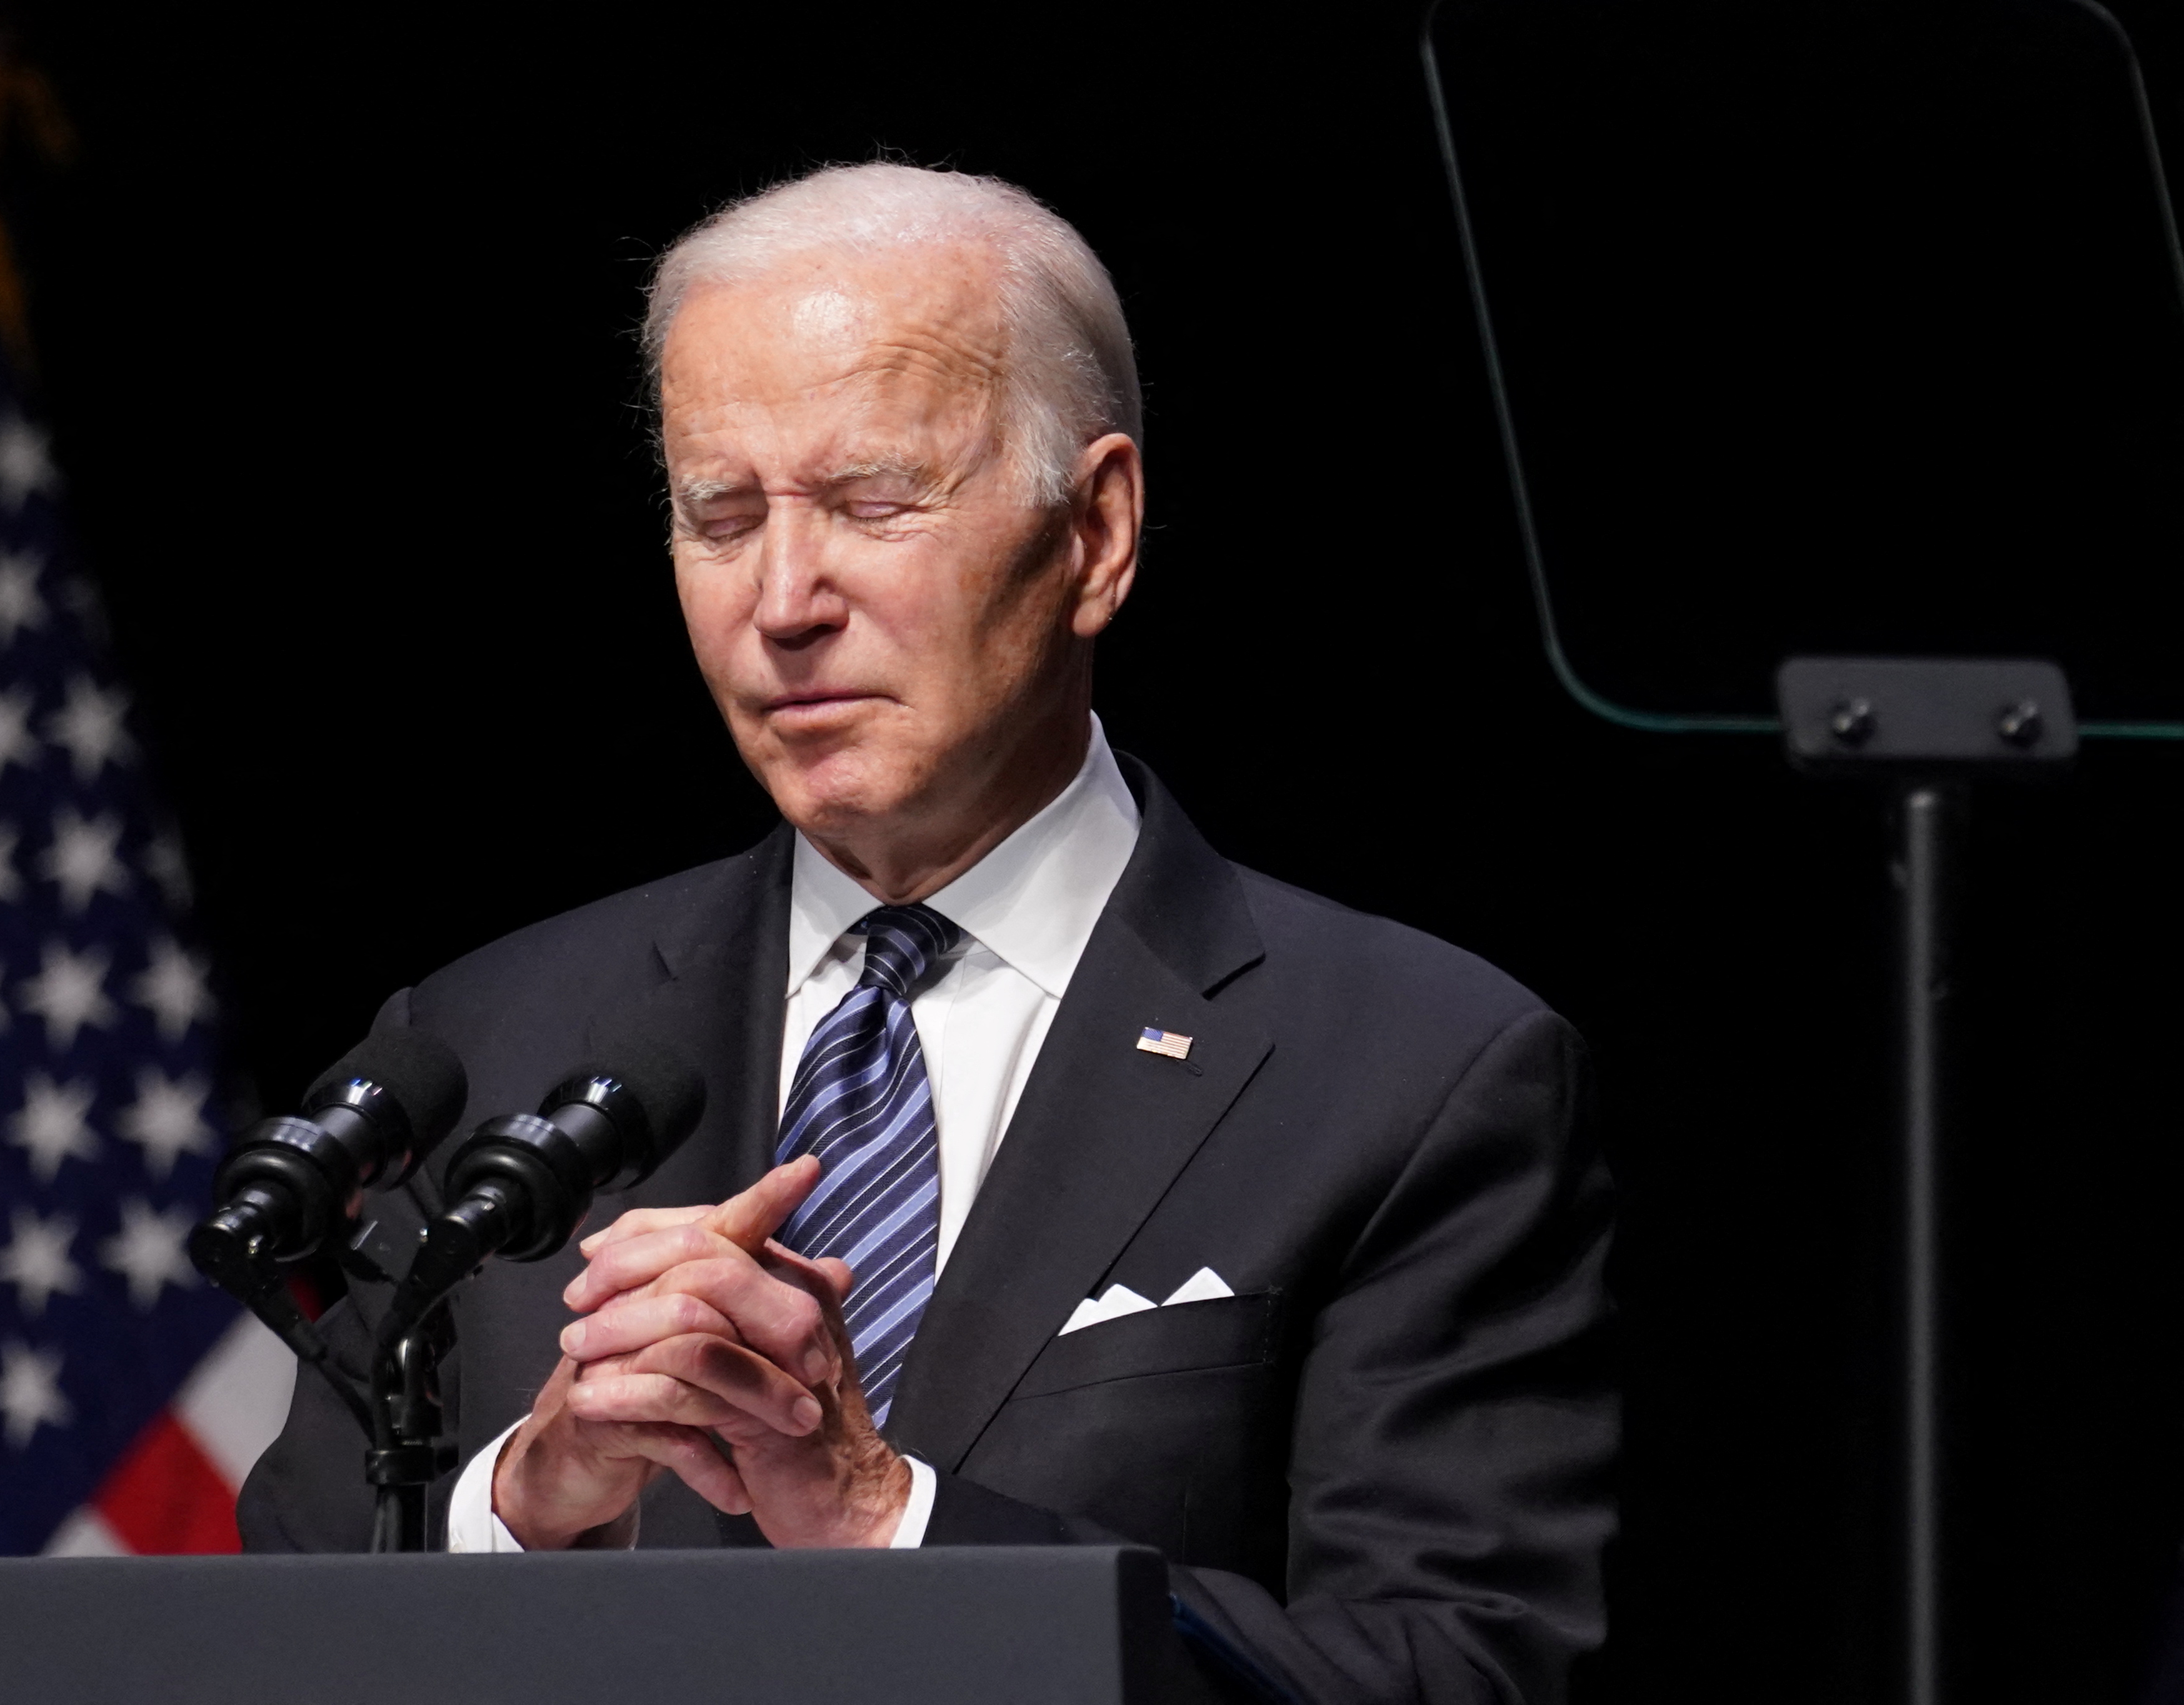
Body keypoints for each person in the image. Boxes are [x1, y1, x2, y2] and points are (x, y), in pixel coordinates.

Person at [239, 162, 1615, 1703]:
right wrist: (527, 1504)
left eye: (870, 502)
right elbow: (274, 1628)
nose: (783, 599)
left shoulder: (1411, 1075)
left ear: (1093, 532)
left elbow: (1459, 1672)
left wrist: (888, 1521)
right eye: (721, 514)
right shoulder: (486, 1044)